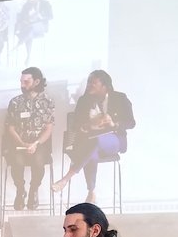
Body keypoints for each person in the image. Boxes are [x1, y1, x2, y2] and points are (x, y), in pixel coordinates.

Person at [52, 70, 135, 204]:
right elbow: (76, 125)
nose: (89, 85)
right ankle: (91, 192)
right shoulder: (84, 101)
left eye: (93, 82)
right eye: (89, 82)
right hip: (90, 142)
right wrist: (89, 125)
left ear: (104, 86)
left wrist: (114, 123)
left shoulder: (120, 98)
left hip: (113, 140)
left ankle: (66, 179)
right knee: (92, 151)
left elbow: (131, 122)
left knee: (94, 142)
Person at [5, 67, 54, 211]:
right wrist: (22, 143)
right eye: (21, 81)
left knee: (39, 162)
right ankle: (20, 190)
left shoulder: (48, 101)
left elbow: (48, 129)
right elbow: (10, 128)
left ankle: (33, 190)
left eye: (26, 82)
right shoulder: (15, 102)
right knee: (17, 162)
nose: (22, 85)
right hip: (19, 143)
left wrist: (36, 143)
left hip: (39, 144)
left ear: (36, 81)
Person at [14, 0, 52, 64]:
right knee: (30, 32)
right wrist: (26, 20)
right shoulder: (27, 5)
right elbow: (22, 17)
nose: (30, 0)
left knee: (29, 30)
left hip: (41, 25)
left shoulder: (45, 4)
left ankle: (20, 43)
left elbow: (50, 16)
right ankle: (28, 56)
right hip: (29, 26)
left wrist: (40, 16)